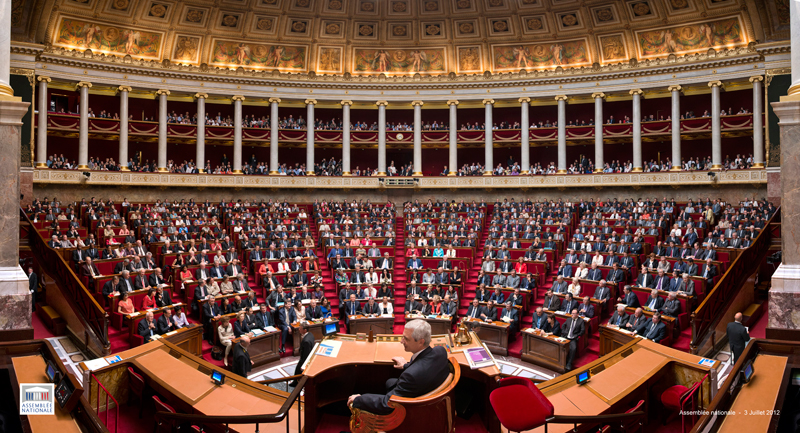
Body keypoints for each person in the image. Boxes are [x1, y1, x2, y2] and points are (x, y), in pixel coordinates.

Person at [348, 320, 450, 415]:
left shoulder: (411, 376)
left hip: (412, 410)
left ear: (421, 342)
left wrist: (359, 399)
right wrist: (406, 365)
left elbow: (387, 404)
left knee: (388, 383)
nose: (401, 341)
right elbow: (425, 365)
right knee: (390, 382)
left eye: (406, 339)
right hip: (428, 391)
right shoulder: (440, 351)